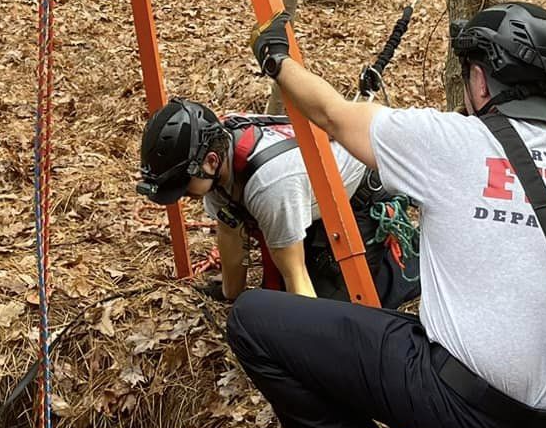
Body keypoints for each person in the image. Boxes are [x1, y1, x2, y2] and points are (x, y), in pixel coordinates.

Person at [227, 1, 546, 428]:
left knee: (254, 319)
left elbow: (335, 117)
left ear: (481, 80)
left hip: (470, 403)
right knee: (468, 311)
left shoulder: (454, 142)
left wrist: (276, 59)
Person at [136, 99, 416, 306]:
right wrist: (231, 296)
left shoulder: (269, 185)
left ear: (210, 162)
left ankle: (411, 266)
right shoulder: (218, 148)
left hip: (358, 197)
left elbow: (296, 275)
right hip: (306, 194)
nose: (183, 196)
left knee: (337, 308)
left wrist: (306, 345)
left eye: (183, 187)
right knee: (281, 293)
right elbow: (230, 228)